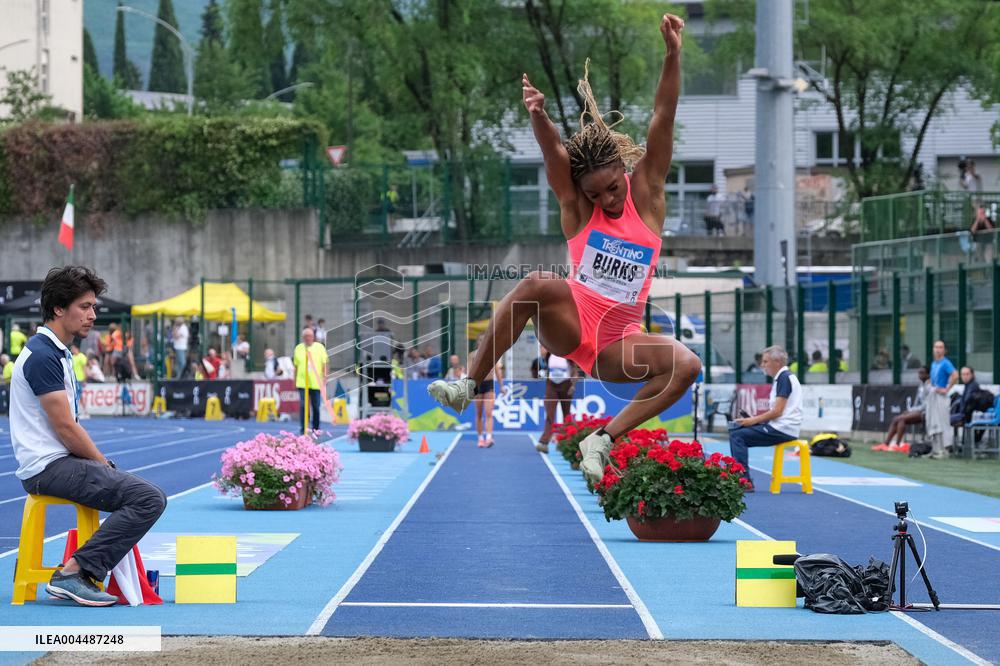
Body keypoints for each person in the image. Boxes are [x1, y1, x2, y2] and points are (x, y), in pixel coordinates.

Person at [428, 14, 699, 483]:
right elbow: (555, 157)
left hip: (620, 343)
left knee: (688, 365)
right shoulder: (579, 209)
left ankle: (603, 439)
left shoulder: (648, 195)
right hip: (572, 325)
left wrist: (673, 54)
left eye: (612, 189)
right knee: (539, 282)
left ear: (623, 169)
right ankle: (469, 384)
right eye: (595, 195)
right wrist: (539, 116)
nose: (607, 201)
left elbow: (662, 115)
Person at [8, 266, 166, 606]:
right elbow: (65, 427)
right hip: (47, 467)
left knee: (135, 488)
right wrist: (101, 463)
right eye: (85, 307)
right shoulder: (42, 356)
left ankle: (76, 569)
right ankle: (74, 572)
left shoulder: (58, 352)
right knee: (148, 499)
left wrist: (100, 463)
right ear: (58, 309)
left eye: (94, 307)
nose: (93, 315)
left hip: (57, 462)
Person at [728, 346, 803, 491]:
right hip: (781, 426)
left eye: (765, 361)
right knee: (738, 430)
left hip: (783, 429)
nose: (762, 365)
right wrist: (754, 421)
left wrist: (753, 420)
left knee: (737, 435)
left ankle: (744, 481)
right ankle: (741, 477)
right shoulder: (784, 377)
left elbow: (778, 411)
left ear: (778, 361)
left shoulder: (784, 378)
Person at [535, 348, 576, 454]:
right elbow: (542, 354)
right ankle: (544, 442)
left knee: (566, 414)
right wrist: (543, 348)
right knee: (550, 413)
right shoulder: (549, 354)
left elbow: (575, 371)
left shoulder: (568, 353)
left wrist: (573, 385)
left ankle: (566, 442)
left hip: (566, 384)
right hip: (551, 384)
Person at [881, 367, 930, 448]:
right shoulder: (921, 385)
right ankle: (887, 444)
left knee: (900, 418)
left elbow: (926, 405)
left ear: (928, 375)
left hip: (926, 412)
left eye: (922, 373)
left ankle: (897, 444)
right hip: (919, 410)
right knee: (897, 419)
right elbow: (917, 403)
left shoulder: (929, 386)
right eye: (919, 373)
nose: (919, 375)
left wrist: (911, 410)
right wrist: (910, 411)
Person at [925, 340, 958, 459]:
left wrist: (947, 388)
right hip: (933, 395)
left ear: (944, 350)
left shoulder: (946, 363)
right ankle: (935, 449)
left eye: (940, 347)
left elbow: (955, 375)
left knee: (942, 422)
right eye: (936, 347)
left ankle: (945, 450)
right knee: (933, 422)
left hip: (941, 397)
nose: (938, 349)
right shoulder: (934, 363)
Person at [294, 327, 327, 434]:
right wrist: (294, 380)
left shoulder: (320, 347)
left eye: (310, 336)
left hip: (316, 383)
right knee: (303, 406)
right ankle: (303, 428)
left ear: (313, 337)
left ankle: (316, 428)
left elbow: (325, 364)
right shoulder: (298, 348)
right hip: (302, 382)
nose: (308, 338)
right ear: (303, 338)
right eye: (306, 336)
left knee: (316, 407)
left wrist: (325, 378)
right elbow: (296, 366)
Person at [473, 334, 503, 449]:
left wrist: (501, 386)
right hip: (478, 384)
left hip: (490, 384)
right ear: (478, 343)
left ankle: (489, 437)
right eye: (481, 340)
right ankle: (480, 438)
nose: (483, 343)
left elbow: (497, 371)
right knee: (479, 413)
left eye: (484, 340)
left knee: (489, 412)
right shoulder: (473, 355)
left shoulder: (492, 354)